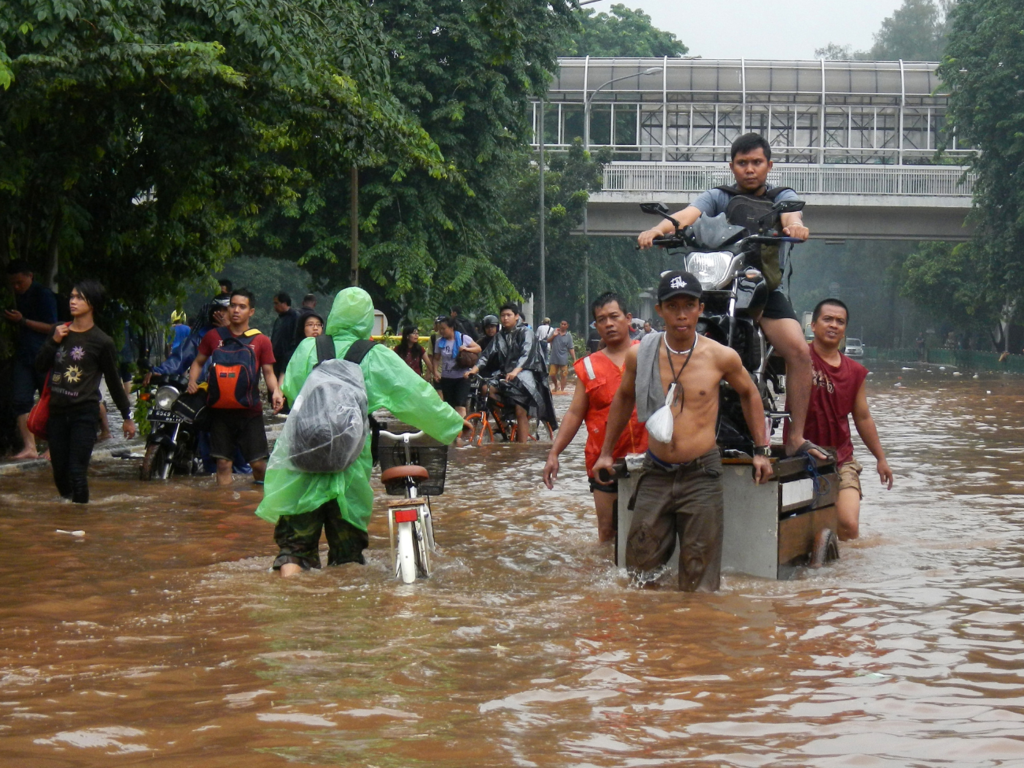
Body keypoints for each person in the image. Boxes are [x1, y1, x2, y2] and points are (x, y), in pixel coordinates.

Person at [637, 132, 822, 461]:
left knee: (798, 351)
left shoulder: (782, 196)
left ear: (769, 165)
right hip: (714, 284)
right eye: (742, 163)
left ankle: (795, 437)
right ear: (731, 166)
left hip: (760, 288)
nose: (749, 169)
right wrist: (658, 230)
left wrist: (795, 227)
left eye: (756, 162)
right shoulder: (718, 197)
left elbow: (792, 216)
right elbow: (688, 215)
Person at [256, 288, 464, 577]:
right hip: (349, 460)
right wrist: (452, 424)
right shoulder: (375, 356)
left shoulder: (308, 348)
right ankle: (347, 616)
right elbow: (416, 397)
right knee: (348, 556)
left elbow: (291, 390)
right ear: (367, 319)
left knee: (293, 551)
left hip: (303, 455)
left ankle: (292, 609)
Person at [593, 271, 772, 592]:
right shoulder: (640, 354)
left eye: (689, 305)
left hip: (701, 475)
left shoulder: (721, 356)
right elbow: (623, 398)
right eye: (672, 306)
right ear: (659, 310)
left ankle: (692, 638)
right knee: (638, 573)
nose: (681, 314)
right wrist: (606, 453)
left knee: (699, 580)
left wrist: (761, 452)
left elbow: (750, 393)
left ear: (700, 308)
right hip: (656, 472)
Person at [543, 293, 648, 542]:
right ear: (596, 326)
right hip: (604, 460)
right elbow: (575, 413)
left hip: (649, 456)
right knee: (607, 532)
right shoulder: (587, 366)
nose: (609, 324)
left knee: (649, 530)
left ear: (628, 319)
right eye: (602, 320)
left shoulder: (649, 354)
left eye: (614, 317)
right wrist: (554, 453)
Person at [797, 298, 893, 540]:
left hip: (840, 458)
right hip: (800, 456)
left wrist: (881, 458)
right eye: (827, 319)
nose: (833, 325)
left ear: (845, 330)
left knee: (848, 524)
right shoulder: (797, 357)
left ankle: (845, 574)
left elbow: (862, 417)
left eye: (840, 322)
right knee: (799, 530)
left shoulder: (855, 372)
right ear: (813, 325)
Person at [35, 280, 137, 502]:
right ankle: (68, 514)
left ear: (92, 303)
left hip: (85, 413)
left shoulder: (102, 341)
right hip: (57, 413)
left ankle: (81, 520)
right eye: (71, 297)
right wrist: (53, 342)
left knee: (77, 471)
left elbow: (113, 381)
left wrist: (127, 417)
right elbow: (40, 366)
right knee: (60, 473)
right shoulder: (58, 331)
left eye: (79, 297)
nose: (73, 301)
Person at [187, 289, 284, 486]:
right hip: (219, 413)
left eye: (242, 306)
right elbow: (198, 362)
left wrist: (276, 391)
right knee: (223, 464)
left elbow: (268, 373)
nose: (236, 310)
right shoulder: (214, 337)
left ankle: (259, 503)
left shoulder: (261, 341)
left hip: (250, 413)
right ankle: (224, 507)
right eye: (232, 305)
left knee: (258, 465)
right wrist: (192, 381)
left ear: (251, 312)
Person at [466, 302, 558, 443]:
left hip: (526, 378)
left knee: (520, 410)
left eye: (508, 315)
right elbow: (486, 355)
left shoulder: (526, 333)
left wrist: (516, 370)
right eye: (502, 315)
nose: (505, 318)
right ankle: (502, 423)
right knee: (485, 388)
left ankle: (521, 449)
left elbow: (526, 354)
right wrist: (473, 370)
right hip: (506, 376)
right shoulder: (499, 336)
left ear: (516, 317)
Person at [4, 261, 58, 459]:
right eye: (13, 284)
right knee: (20, 400)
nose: (17, 287)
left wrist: (23, 321)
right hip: (24, 356)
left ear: (30, 276)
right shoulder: (16, 298)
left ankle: (53, 448)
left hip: (44, 355)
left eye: (20, 282)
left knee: (51, 401)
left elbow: (53, 327)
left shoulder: (43, 295)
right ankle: (30, 447)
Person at [434, 317, 481, 439]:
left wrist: (466, 348)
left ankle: (460, 432)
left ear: (451, 328)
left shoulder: (463, 338)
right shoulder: (439, 342)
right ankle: (454, 431)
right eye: (440, 329)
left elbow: (478, 348)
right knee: (449, 405)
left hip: (462, 377)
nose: (442, 331)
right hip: (446, 378)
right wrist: (435, 372)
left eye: (444, 329)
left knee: (460, 405)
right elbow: (436, 358)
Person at [270, 292, 299, 382]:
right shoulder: (279, 319)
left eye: (276, 303)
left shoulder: (295, 317)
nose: (274, 306)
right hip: (276, 358)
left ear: (284, 303)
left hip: (287, 358)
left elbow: (296, 338)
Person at [548, 320, 576, 395]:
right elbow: (547, 340)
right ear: (560, 325)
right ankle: (556, 386)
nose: (563, 325)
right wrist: (554, 335)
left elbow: (571, 348)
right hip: (554, 358)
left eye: (565, 324)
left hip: (563, 359)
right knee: (552, 374)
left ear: (567, 326)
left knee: (564, 375)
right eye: (562, 324)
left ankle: (562, 390)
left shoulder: (568, 335)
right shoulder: (555, 331)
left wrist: (574, 359)